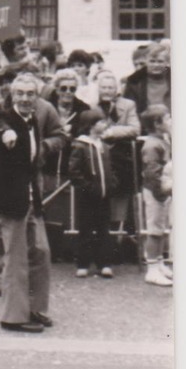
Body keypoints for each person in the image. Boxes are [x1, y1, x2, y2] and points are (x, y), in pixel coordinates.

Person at [0, 72, 63, 332]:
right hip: (10, 198)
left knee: (41, 251)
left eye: (30, 94)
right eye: (20, 94)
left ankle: (35, 308)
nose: (25, 98)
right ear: (12, 95)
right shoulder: (4, 117)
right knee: (15, 257)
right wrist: (5, 136)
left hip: (31, 195)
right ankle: (13, 317)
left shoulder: (35, 120)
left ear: (37, 96)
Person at [92, 69, 142, 249]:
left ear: (116, 89)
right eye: (104, 87)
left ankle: (117, 240)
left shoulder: (128, 105)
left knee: (121, 197)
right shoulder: (92, 105)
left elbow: (135, 129)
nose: (107, 91)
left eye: (110, 87)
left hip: (120, 157)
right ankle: (101, 241)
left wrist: (112, 132)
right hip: (97, 157)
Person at [68, 109, 118, 279]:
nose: (105, 125)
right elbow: (74, 172)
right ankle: (83, 264)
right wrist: (87, 187)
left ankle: (104, 263)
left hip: (104, 196)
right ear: (91, 125)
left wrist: (112, 184)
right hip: (87, 197)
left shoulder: (103, 145)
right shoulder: (80, 145)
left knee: (104, 230)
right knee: (86, 229)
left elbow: (110, 169)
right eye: (101, 122)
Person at [139, 105, 174, 287]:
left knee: (160, 229)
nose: (171, 121)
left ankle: (159, 262)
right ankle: (151, 268)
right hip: (155, 192)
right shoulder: (152, 145)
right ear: (157, 123)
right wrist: (162, 192)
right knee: (154, 230)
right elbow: (152, 173)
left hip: (162, 192)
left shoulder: (163, 140)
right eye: (168, 118)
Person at [123, 44, 171, 116]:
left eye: (160, 61)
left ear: (167, 62)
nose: (156, 65)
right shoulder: (134, 82)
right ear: (146, 61)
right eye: (152, 61)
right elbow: (128, 111)